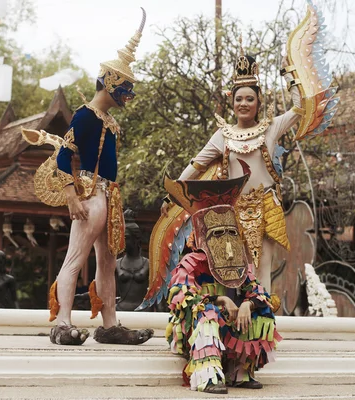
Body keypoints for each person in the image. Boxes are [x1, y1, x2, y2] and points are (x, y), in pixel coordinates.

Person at [21, 8, 153, 346]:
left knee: (107, 262)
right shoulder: (86, 116)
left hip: (109, 195)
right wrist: (71, 197)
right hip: (90, 192)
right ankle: (63, 322)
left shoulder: (107, 120)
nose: (129, 94)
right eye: (125, 87)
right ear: (110, 82)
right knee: (75, 258)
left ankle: (109, 324)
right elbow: (65, 152)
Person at [161, 47, 303, 293]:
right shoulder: (222, 135)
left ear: (258, 102)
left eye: (249, 99)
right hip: (233, 210)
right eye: (239, 99)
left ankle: (262, 326)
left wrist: (288, 72)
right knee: (233, 269)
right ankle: (234, 326)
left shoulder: (271, 128)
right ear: (232, 101)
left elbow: (299, 109)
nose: (244, 104)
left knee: (261, 270)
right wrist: (173, 192)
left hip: (265, 207)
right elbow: (197, 164)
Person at [164, 162, 281, 394]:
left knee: (261, 314)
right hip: (196, 327)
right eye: (218, 234)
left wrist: (248, 303)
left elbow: (259, 292)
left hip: (229, 325)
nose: (226, 242)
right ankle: (208, 375)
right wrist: (218, 302)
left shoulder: (238, 264)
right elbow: (181, 299)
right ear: (202, 236)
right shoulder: (191, 263)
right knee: (207, 314)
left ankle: (240, 372)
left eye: (230, 233)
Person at [115, 209, 150, 312]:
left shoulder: (148, 264)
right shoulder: (117, 264)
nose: (123, 242)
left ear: (136, 239)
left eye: (126, 238)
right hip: (120, 310)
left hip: (143, 312)